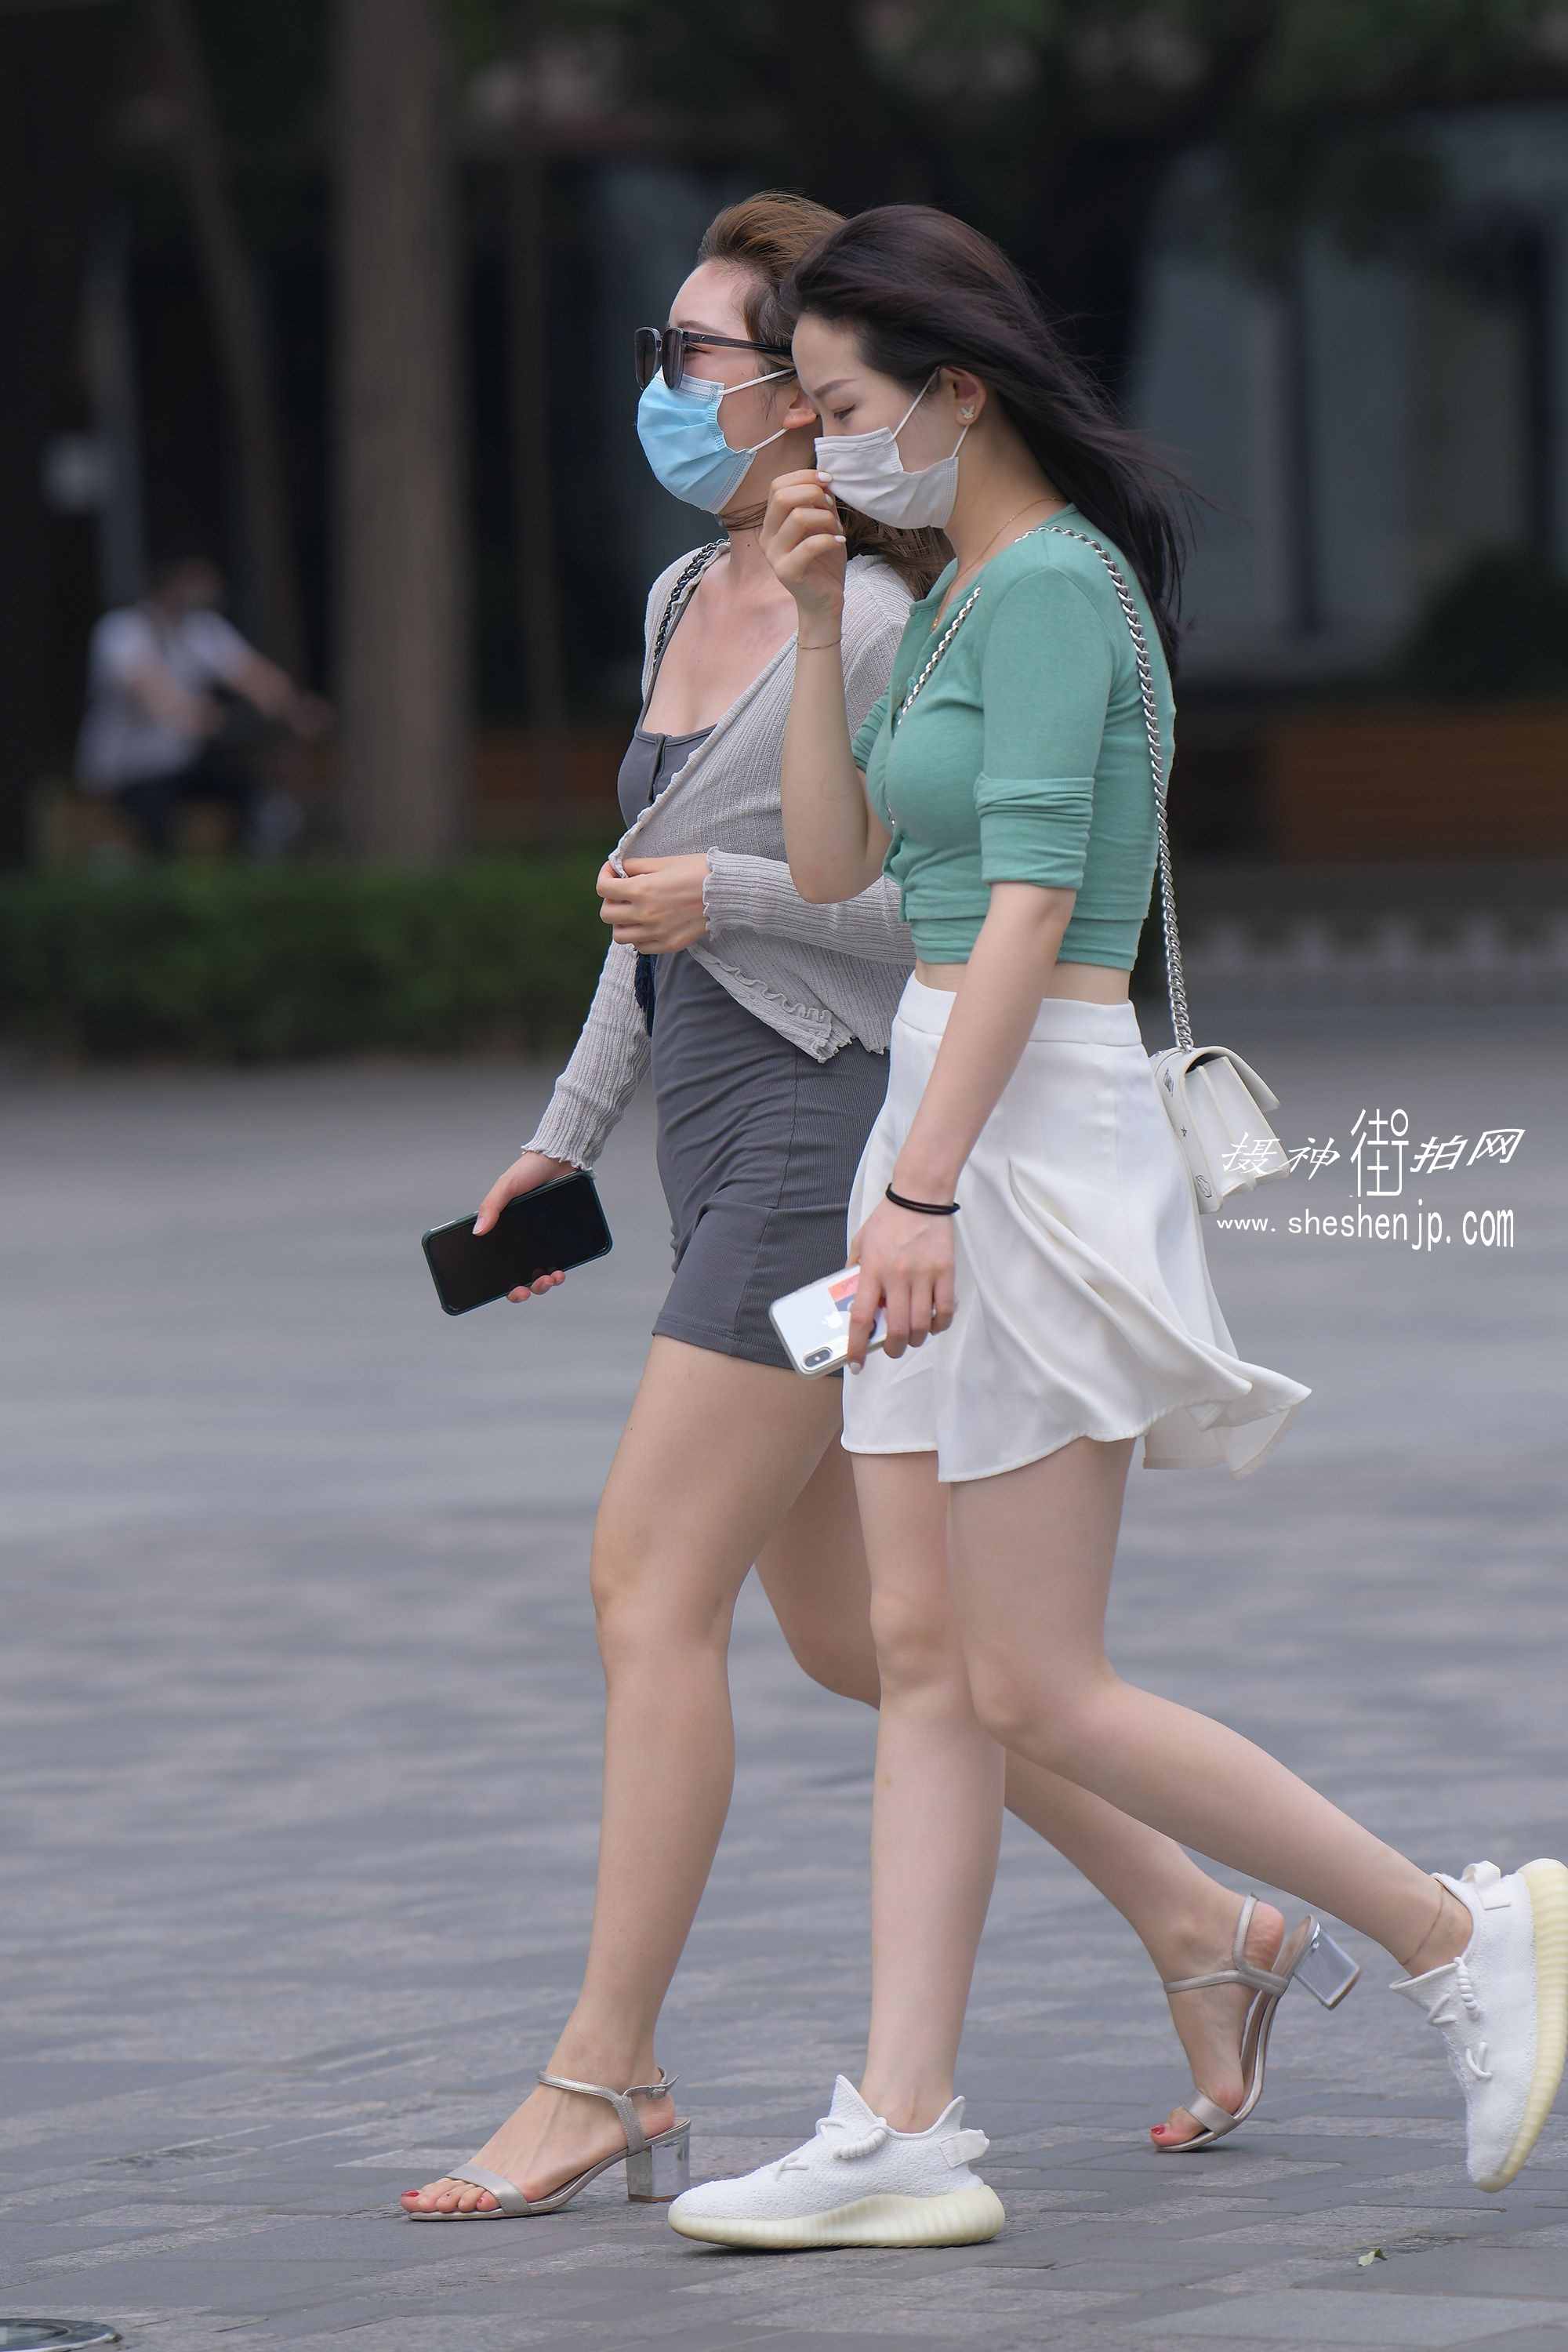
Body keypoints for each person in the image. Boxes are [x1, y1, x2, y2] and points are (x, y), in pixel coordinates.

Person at [400, 191, 1325, 2227]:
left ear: (805, 388)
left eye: (706, 357)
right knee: (864, 1637)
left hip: (840, 1154)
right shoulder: (690, 595)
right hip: (716, 1134)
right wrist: (568, 1134)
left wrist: (722, 897)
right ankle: (1208, 1926)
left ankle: (606, 2073)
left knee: (650, 1584)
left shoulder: (923, 612)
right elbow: (637, 912)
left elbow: (926, 918)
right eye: (663, 352)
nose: (673, 389)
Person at [664, 202, 1568, 2251]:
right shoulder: (948, 594)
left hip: (1026, 1131)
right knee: (922, 1662)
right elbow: (834, 860)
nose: (820, 444)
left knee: (1034, 1682)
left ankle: (1461, 1937)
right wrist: (808, 618)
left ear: (958, 392)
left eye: (843, 406)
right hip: (938, 1101)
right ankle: (900, 2124)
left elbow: (1039, 914)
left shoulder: (1059, 590)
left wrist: (919, 1188)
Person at [74, 556, 329, 857]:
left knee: (251, 796)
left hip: (183, 763)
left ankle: (252, 866)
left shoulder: (202, 629)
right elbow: (150, 691)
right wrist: (197, 715)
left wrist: (295, 708)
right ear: (171, 583)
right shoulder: (121, 630)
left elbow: (254, 676)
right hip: (128, 770)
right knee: (157, 832)